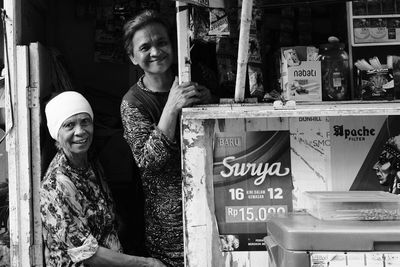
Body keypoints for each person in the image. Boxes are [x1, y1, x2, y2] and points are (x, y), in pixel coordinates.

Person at [120, 10, 214, 267]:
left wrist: (211, 102)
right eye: (145, 47)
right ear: (133, 57)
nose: (155, 51)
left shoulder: (197, 76)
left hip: (216, 202)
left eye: (162, 42)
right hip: (169, 229)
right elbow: (148, 161)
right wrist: (171, 108)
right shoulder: (133, 102)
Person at [40, 91, 166, 267]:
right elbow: (87, 254)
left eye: (85, 122)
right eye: (69, 125)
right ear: (56, 132)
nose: (80, 131)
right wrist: (147, 263)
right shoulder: (57, 184)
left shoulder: (89, 161)